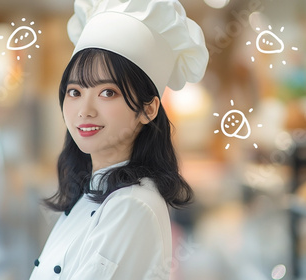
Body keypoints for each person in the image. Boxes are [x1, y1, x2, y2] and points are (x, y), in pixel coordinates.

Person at [29, 0, 208, 279]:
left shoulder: (132, 206)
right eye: (75, 92)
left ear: (148, 109)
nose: (85, 110)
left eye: (107, 92)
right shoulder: (93, 190)